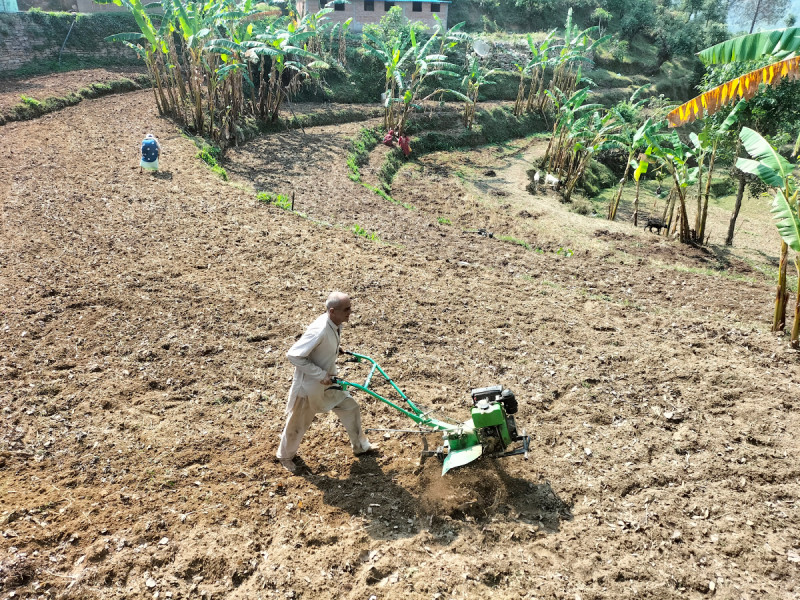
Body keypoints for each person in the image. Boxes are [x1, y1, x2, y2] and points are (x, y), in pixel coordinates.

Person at [276, 292, 375, 473]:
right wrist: (320, 374)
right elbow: (294, 355)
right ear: (332, 311)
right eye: (346, 309)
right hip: (310, 385)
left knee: (350, 407)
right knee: (298, 422)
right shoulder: (320, 329)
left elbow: (323, 346)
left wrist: (337, 351)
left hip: (329, 380)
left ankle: (361, 446)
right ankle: (285, 456)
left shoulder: (335, 324)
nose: (350, 312)